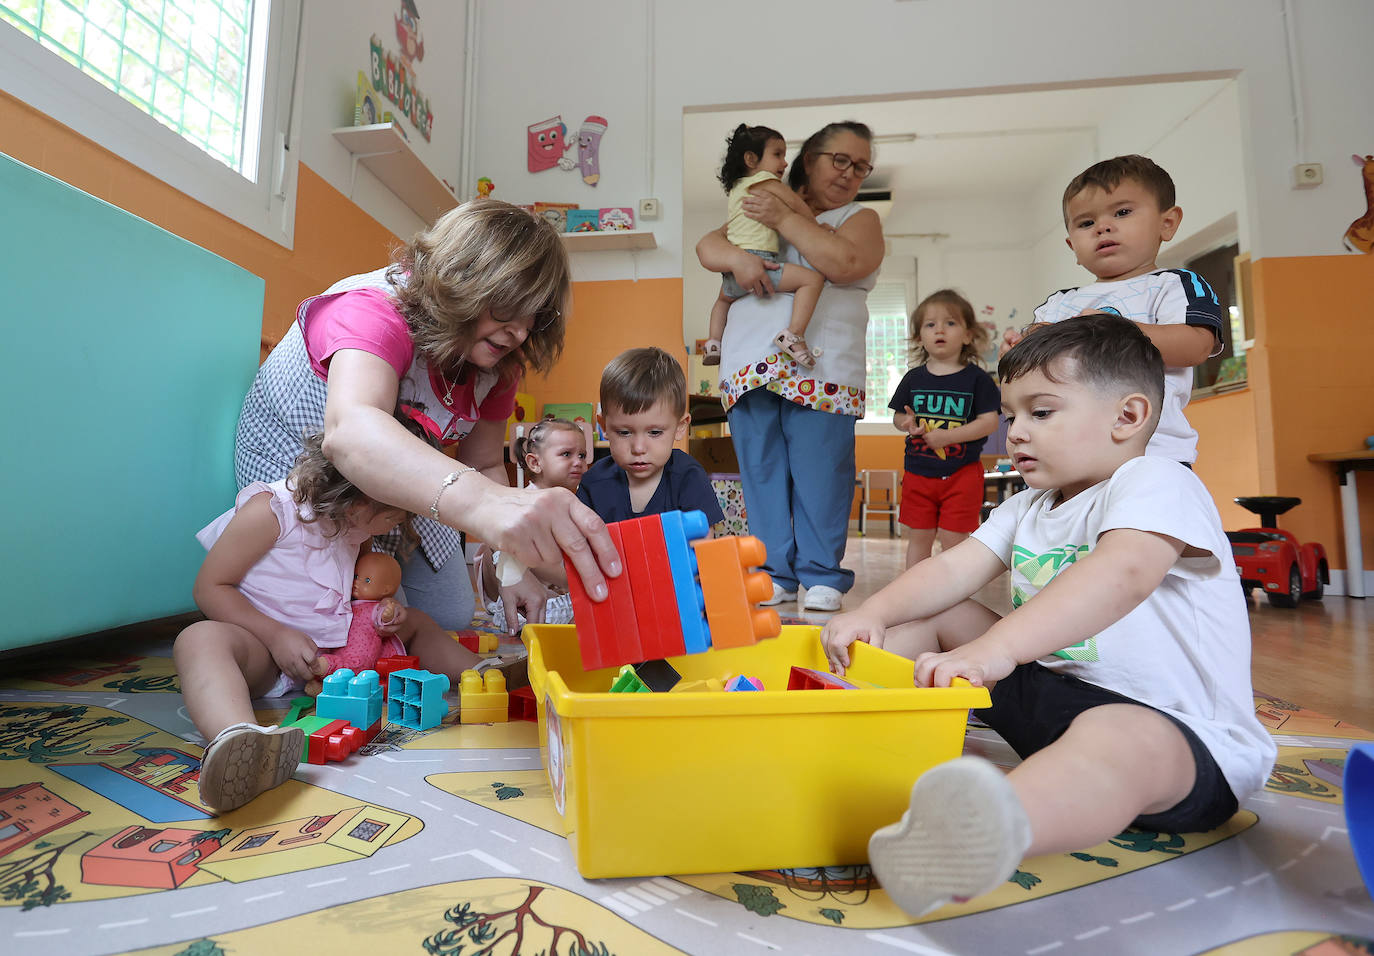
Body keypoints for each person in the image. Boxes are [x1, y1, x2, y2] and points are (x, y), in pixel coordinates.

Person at [821, 314, 1275, 917]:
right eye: (1011, 416)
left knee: (1113, 739)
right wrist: (871, 612)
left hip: (1180, 741)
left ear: (1129, 417)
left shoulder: (1158, 482)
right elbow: (953, 570)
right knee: (945, 612)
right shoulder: (1030, 504)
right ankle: (835, 715)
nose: (1015, 434)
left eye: (1042, 413)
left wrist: (995, 650)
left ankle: (977, 833)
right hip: (1053, 700)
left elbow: (1122, 574)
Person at [234, 198, 621, 635]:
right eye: (506, 309)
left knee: (449, 615)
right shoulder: (374, 311)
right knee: (353, 622)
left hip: (389, 486)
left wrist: (508, 564)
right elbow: (351, 433)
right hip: (303, 476)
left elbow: (484, 463)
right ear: (464, 281)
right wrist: (490, 506)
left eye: (532, 317)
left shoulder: (498, 363)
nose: (520, 331)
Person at [175, 433, 483, 813]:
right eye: (397, 510)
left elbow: (358, 586)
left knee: (416, 620)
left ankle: (486, 676)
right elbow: (209, 588)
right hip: (266, 650)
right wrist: (275, 635)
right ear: (359, 497)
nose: (401, 520)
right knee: (199, 639)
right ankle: (239, 739)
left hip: (343, 650)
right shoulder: (271, 512)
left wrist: (384, 612)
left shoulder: (360, 527)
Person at [695, 121, 886, 612]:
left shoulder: (857, 217)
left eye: (861, 165)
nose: (850, 172)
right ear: (809, 158)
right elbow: (710, 247)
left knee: (821, 472)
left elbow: (842, 263)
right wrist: (738, 255)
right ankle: (773, 573)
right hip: (749, 364)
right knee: (760, 473)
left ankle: (822, 574)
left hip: (821, 367)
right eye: (839, 159)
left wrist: (784, 216)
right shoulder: (755, 203)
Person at [1003, 154, 1223, 465]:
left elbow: (1196, 347)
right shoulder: (1058, 304)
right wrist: (1015, 351)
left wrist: (1114, 331)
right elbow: (1027, 374)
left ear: (1167, 223)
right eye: (1086, 223)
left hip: (1151, 452)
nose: (1103, 228)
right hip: (1065, 456)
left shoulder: (1174, 284)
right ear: (1072, 247)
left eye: (1122, 212)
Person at [889, 290, 999, 568]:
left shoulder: (978, 380)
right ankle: (914, 596)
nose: (939, 329)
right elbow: (899, 417)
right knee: (919, 538)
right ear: (919, 338)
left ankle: (952, 598)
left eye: (950, 323)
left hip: (962, 475)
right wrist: (907, 423)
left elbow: (990, 422)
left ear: (967, 335)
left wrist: (947, 437)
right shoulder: (913, 378)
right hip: (917, 474)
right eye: (930, 324)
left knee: (955, 540)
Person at [702, 124, 825, 369]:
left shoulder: (737, 189)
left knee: (723, 301)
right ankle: (793, 334)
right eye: (777, 154)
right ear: (751, 159)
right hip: (759, 261)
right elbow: (796, 206)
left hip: (732, 271)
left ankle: (714, 341)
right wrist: (817, 227)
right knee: (812, 280)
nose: (785, 162)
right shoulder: (765, 179)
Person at [576, 347, 725, 528]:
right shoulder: (594, 482)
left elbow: (702, 545)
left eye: (655, 433)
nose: (639, 448)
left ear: (680, 427)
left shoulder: (688, 476)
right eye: (624, 432)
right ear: (604, 427)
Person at [476, 418, 589, 627]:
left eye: (582, 455)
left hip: (558, 594)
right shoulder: (523, 504)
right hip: (521, 593)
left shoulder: (576, 504)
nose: (578, 462)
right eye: (567, 454)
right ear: (535, 463)